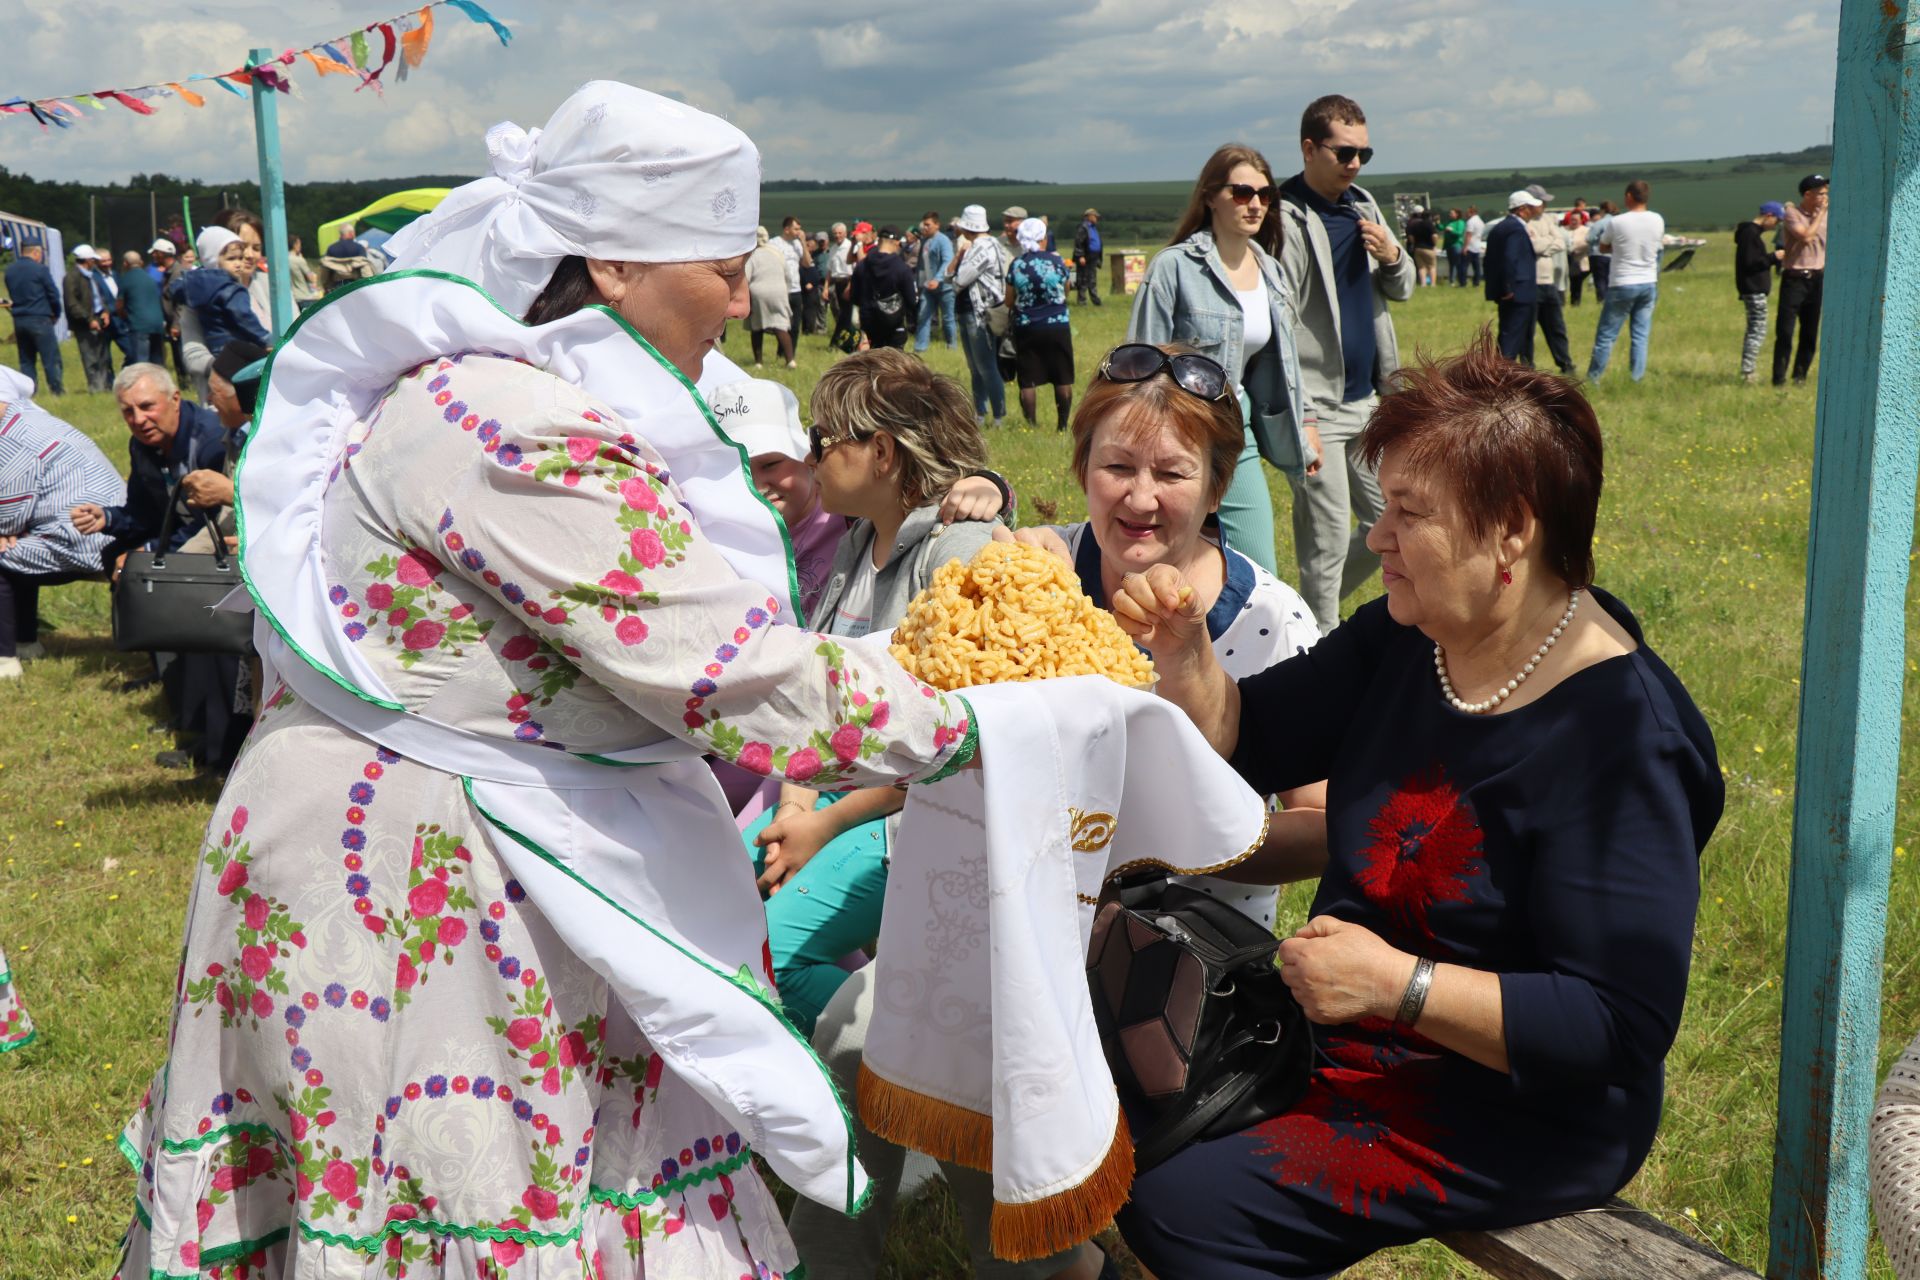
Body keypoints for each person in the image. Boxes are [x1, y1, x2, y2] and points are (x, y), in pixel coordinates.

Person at [113, 81, 979, 1280]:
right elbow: (725, 670)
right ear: (614, 262)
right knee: (470, 1205)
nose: (744, 298)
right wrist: (979, 717)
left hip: (406, 835)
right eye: (724, 268)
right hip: (425, 879)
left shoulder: (486, 387)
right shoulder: (519, 427)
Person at [1105, 335, 1723, 1280]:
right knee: (1105, 1097)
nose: (1374, 537)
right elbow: (1253, 738)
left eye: (1406, 513)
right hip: (1348, 1035)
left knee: (1179, 1207)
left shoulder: (1623, 739)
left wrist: (1402, 986)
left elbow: (1614, 1026)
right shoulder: (1414, 633)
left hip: (1513, 1105)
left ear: (1511, 530)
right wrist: (1188, 654)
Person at [787, 340, 1326, 1280]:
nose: (1141, 498)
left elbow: (1319, 825)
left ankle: (1055, 1262)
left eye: (1172, 472)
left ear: (1220, 481)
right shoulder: (1037, 573)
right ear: (1079, 470)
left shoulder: (1269, 621)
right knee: (851, 1040)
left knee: (995, 1097)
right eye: (1116, 467)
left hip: (1167, 961)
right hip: (998, 916)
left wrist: (1171, 839)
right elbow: (938, 728)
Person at [741, 349, 998, 1034]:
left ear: (880, 451)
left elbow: (956, 741)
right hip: (828, 799)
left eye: (822, 441)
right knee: (699, 909)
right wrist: (797, 806)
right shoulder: (858, 544)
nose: (811, 456)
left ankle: (897, 1071)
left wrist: (818, 825)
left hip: (907, 820)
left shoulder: (958, 553)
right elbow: (814, 692)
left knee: (771, 957)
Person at [1130, 142, 1311, 579]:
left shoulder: (1271, 270)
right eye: (1242, 193)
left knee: (1256, 564)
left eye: (1265, 196)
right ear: (1211, 196)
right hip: (1178, 427)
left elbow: (1284, 366)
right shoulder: (1173, 268)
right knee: (1163, 563)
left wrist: (1307, 424)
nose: (1255, 205)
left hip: (1235, 426)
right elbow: (1140, 363)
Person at [1276, 94, 1411, 633]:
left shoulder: (1363, 204)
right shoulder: (1285, 216)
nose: (1355, 163)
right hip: (1317, 406)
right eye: (1345, 152)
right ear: (1310, 148)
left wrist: (1393, 255)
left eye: (1365, 153)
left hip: (1369, 398)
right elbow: (1279, 317)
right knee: (1326, 536)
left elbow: (1401, 289)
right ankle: (1319, 643)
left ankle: (1312, 614)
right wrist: (1299, 410)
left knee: (1389, 523)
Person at [0, 366, 123, 679]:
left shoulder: (13, 439)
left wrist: (8, 531)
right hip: (108, 529)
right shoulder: (27, 420)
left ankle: (5, 659)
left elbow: (8, 512)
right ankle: (25, 641)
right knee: (20, 549)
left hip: (89, 539)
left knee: (5, 555)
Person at [69, 363, 227, 562]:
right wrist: (107, 518)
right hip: (180, 530)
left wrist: (152, 551)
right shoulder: (142, 445)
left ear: (175, 399)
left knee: (136, 566)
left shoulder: (212, 442)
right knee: (113, 556)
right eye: (128, 411)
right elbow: (142, 512)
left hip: (216, 538)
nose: (139, 419)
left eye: (146, 406)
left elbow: (220, 520)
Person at [1587, 180, 1664, 383]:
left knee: (1606, 335)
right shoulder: (1657, 219)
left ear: (1629, 196)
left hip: (1623, 280)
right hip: (1648, 281)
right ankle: (1636, 377)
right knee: (1640, 335)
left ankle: (1594, 378)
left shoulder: (1618, 222)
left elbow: (1603, 246)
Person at [1005, 216, 1075, 430]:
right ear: (1042, 238)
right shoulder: (1056, 261)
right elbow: (1066, 289)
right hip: (1057, 324)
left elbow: (1009, 300)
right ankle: (1062, 425)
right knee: (1062, 377)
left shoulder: (1017, 265)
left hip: (1027, 326)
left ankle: (1031, 426)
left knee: (1027, 379)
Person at [167, 226, 272, 359]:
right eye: (231, 259)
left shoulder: (196, 282)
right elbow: (243, 315)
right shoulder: (231, 288)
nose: (238, 264)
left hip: (214, 346)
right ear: (214, 260)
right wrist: (265, 337)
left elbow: (175, 289)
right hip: (237, 345)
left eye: (240, 258)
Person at [951, 203, 1009, 426]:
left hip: (979, 313)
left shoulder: (982, 247)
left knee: (985, 367)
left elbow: (960, 279)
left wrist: (959, 262)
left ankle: (997, 416)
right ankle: (980, 413)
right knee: (977, 367)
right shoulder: (990, 244)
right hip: (973, 311)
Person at [1773, 173, 1828, 387]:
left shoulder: (1828, 216)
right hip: (1794, 278)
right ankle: (1778, 379)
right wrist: (1820, 213)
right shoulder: (1792, 213)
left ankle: (1800, 378)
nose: (1825, 197)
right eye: (1821, 194)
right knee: (1785, 331)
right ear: (1808, 194)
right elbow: (1805, 236)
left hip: (1817, 278)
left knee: (1810, 331)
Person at [1523, 185, 1575, 375]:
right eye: (1541, 202)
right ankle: (1527, 368)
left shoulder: (1548, 220)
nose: (1544, 205)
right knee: (1528, 330)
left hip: (1549, 282)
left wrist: (1543, 244)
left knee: (1557, 327)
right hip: (1532, 284)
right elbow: (1533, 246)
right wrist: (1547, 243)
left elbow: (1560, 242)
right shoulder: (1524, 223)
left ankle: (1566, 363)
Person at [1484, 192, 1541, 364]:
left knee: (1512, 334)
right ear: (1522, 209)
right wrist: (1508, 287)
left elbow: (1490, 260)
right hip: (1518, 292)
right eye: (1531, 207)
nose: (1535, 211)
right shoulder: (1515, 229)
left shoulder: (1500, 227)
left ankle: (1521, 374)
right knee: (1514, 338)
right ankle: (1504, 376)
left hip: (1512, 291)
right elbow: (1510, 258)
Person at [3, 242, 64, 396]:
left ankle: (29, 393)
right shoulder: (40, 270)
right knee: (50, 358)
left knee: (26, 360)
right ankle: (56, 391)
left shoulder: (10, 271)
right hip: (39, 318)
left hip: (19, 319)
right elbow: (53, 294)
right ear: (37, 253)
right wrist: (56, 313)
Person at [1736, 202, 1786, 384]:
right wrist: (1774, 257)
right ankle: (1748, 372)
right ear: (1768, 216)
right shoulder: (1751, 234)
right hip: (1754, 288)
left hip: (1752, 288)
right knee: (1757, 330)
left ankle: (1747, 369)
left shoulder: (1750, 233)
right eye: (1777, 220)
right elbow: (1752, 262)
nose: (1776, 225)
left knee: (1754, 329)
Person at [852, 225, 918, 351]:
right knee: (894, 363)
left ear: (879, 241)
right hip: (893, 323)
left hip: (869, 322)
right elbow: (911, 300)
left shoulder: (862, 266)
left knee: (875, 359)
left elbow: (855, 297)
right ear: (897, 242)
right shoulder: (901, 268)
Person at [64, 245, 116, 392]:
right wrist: (89, 319)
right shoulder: (72, 277)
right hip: (84, 324)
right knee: (90, 358)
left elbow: (100, 297)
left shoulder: (92, 275)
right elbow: (72, 303)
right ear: (87, 260)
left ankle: (106, 387)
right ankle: (96, 389)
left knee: (103, 357)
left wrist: (105, 311)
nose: (95, 262)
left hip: (99, 319)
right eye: (93, 259)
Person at [746, 226, 796, 368]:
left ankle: (758, 362)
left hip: (758, 292)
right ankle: (790, 360)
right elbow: (787, 275)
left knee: (757, 327)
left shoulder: (752, 255)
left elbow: (746, 277)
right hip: (780, 291)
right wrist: (786, 291)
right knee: (780, 326)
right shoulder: (777, 253)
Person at [912, 210, 956, 351]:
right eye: (924, 225)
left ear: (937, 225)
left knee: (948, 319)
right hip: (927, 286)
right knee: (923, 315)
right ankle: (920, 348)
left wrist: (938, 279)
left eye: (928, 225)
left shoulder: (943, 240)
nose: (924, 228)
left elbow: (947, 261)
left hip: (945, 287)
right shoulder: (925, 241)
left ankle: (951, 346)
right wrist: (919, 284)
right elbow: (922, 265)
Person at [115, 250, 169, 364]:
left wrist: (125, 317)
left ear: (125, 263)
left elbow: (119, 306)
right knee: (157, 362)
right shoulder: (150, 278)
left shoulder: (125, 279)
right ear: (141, 262)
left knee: (141, 362)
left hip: (139, 324)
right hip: (157, 323)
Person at [778, 215, 812, 341]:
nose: (799, 232)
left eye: (799, 229)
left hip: (796, 289)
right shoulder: (775, 243)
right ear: (787, 229)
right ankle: (782, 352)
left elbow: (807, 263)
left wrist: (803, 242)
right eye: (796, 229)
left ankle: (791, 353)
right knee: (782, 325)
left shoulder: (798, 244)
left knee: (795, 325)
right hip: (781, 288)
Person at [826, 221, 858, 350]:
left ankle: (836, 342)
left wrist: (850, 286)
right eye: (835, 233)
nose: (837, 235)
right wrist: (826, 287)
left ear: (845, 233)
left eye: (840, 233)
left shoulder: (850, 247)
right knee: (843, 314)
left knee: (846, 315)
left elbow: (854, 269)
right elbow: (829, 270)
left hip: (848, 282)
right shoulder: (833, 249)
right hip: (837, 282)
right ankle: (846, 342)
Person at [1073, 207, 1104, 305]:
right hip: (1085, 257)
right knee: (1083, 279)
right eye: (1095, 216)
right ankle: (1082, 301)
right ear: (1089, 216)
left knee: (1092, 279)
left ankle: (1095, 300)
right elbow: (1079, 242)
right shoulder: (1083, 227)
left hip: (1093, 257)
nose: (1096, 218)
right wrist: (1080, 255)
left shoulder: (1093, 227)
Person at [1586, 200, 1616, 301]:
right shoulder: (1618, 221)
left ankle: (1602, 301)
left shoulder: (1600, 223)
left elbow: (1589, 238)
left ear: (1602, 210)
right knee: (1611, 280)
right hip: (1614, 254)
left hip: (1598, 254)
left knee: (1600, 280)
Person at [800, 231, 829, 335]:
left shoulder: (831, 252)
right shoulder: (814, 254)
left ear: (827, 241)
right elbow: (810, 269)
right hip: (818, 283)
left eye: (823, 241)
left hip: (829, 282)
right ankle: (818, 329)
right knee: (819, 308)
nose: (821, 243)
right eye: (819, 242)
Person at [1405, 205, 1438, 286]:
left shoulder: (1413, 223)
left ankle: (1423, 284)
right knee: (1432, 266)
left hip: (1417, 248)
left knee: (1421, 267)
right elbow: (1434, 236)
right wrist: (1434, 244)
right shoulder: (1429, 224)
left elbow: (1411, 236)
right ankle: (1433, 284)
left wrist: (1414, 243)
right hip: (1428, 248)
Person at [285, 234, 322, 305]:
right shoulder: (299, 260)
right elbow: (311, 278)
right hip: (304, 297)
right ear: (295, 245)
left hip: (292, 298)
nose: (300, 247)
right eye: (299, 244)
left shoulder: (283, 259)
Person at [1441, 208, 1466, 286]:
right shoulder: (1449, 222)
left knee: (1457, 263)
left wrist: (1451, 230)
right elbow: (1442, 227)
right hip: (1449, 246)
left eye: (1452, 213)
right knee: (1451, 264)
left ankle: (1460, 279)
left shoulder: (1460, 222)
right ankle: (1451, 280)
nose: (1450, 215)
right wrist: (1437, 223)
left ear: (1457, 214)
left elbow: (1459, 233)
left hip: (1456, 245)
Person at [1462, 204, 1485, 287]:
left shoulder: (1470, 222)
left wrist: (1465, 247)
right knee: (1476, 266)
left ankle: (1463, 282)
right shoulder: (1480, 221)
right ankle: (1476, 282)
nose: (1466, 214)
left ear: (1471, 212)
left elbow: (1469, 235)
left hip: (1470, 246)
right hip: (1477, 245)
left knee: (1464, 265)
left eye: (1467, 212)